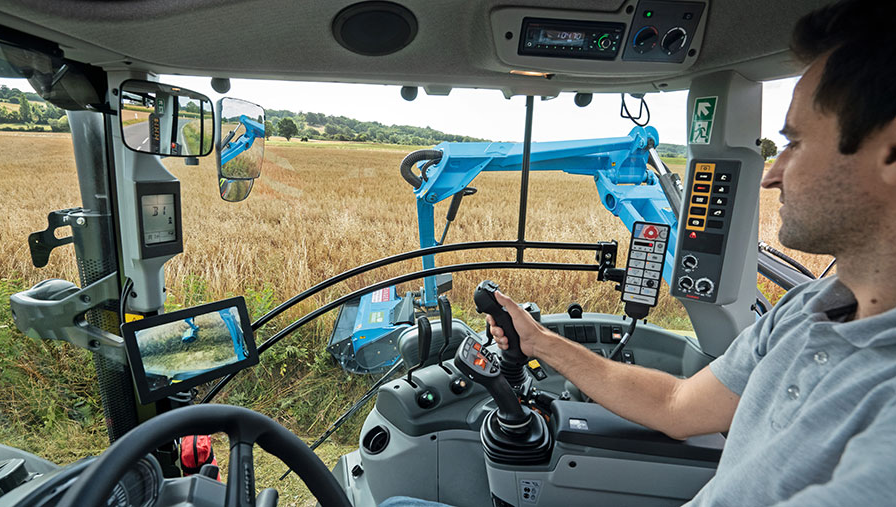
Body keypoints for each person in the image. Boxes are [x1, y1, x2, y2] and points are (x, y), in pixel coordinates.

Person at [384, 0, 896, 505]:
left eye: (797, 143)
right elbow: (676, 404)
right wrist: (539, 341)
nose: (771, 173)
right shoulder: (801, 313)